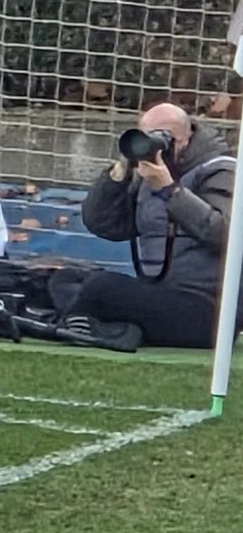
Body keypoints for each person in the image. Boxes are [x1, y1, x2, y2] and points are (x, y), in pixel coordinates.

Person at [75, 101, 237, 348]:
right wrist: (121, 171)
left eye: (165, 137)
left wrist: (170, 190)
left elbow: (226, 233)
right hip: (158, 295)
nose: (157, 145)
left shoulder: (222, 171)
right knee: (66, 279)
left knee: (101, 288)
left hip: (208, 310)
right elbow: (104, 224)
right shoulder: (149, 175)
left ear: (187, 138)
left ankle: (86, 326)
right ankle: (109, 327)